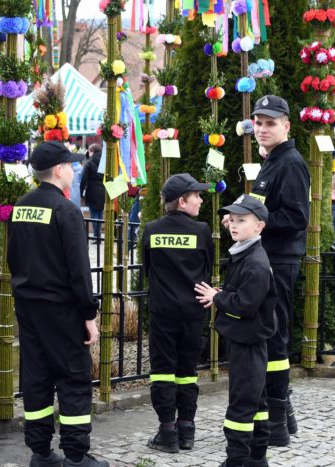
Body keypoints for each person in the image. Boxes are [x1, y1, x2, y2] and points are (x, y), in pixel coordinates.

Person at [7, 141, 108, 467]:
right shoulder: (66, 210)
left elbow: (12, 257)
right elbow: (79, 269)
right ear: (60, 169)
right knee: (73, 377)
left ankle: (40, 453)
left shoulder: (21, 207)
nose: (75, 170)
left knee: (36, 378)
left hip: (29, 307)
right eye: (72, 166)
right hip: (61, 309)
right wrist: (89, 314)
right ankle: (76, 456)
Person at [195, 196, 277, 467]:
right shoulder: (245, 252)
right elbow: (244, 295)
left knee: (242, 402)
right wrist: (222, 294)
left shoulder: (254, 261)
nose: (233, 224)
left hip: (248, 340)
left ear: (259, 226)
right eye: (232, 219)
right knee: (256, 400)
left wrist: (217, 297)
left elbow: (246, 304)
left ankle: (237, 459)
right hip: (247, 338)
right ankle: (256, 456)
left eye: (242, 220)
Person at [247, 95, 310, 446]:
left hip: (280, 261)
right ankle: (283, 415)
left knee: (274, 338)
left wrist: (255, 222)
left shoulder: (290, 163)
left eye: (270, 123)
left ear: (286, 125)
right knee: (270, 335)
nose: (262, 129)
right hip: (268, 258)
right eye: (258, 122)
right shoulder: (273, 160)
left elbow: (296, 217)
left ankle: (276, 425)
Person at [142, 173, 214, 453]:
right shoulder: (202, 231)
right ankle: (187, 430)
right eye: (197, 195)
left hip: (163, 311)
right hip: (193, 311)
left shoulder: (151, 229)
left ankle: (167, 432)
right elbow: (207, 269)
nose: (201, 200)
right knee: (187, 371)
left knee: (162, 371)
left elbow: (147, 269)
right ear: (182, 201)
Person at [80, 144, 104, 242]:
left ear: (92, 152)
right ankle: (98, 235)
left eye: (89, 151)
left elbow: (83, 179)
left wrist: (81, 192)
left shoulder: (89, 163)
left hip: (92, 189)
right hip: (103, 189)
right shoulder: (104, 161)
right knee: (100, 213)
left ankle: (96, 235)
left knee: (93, 213)